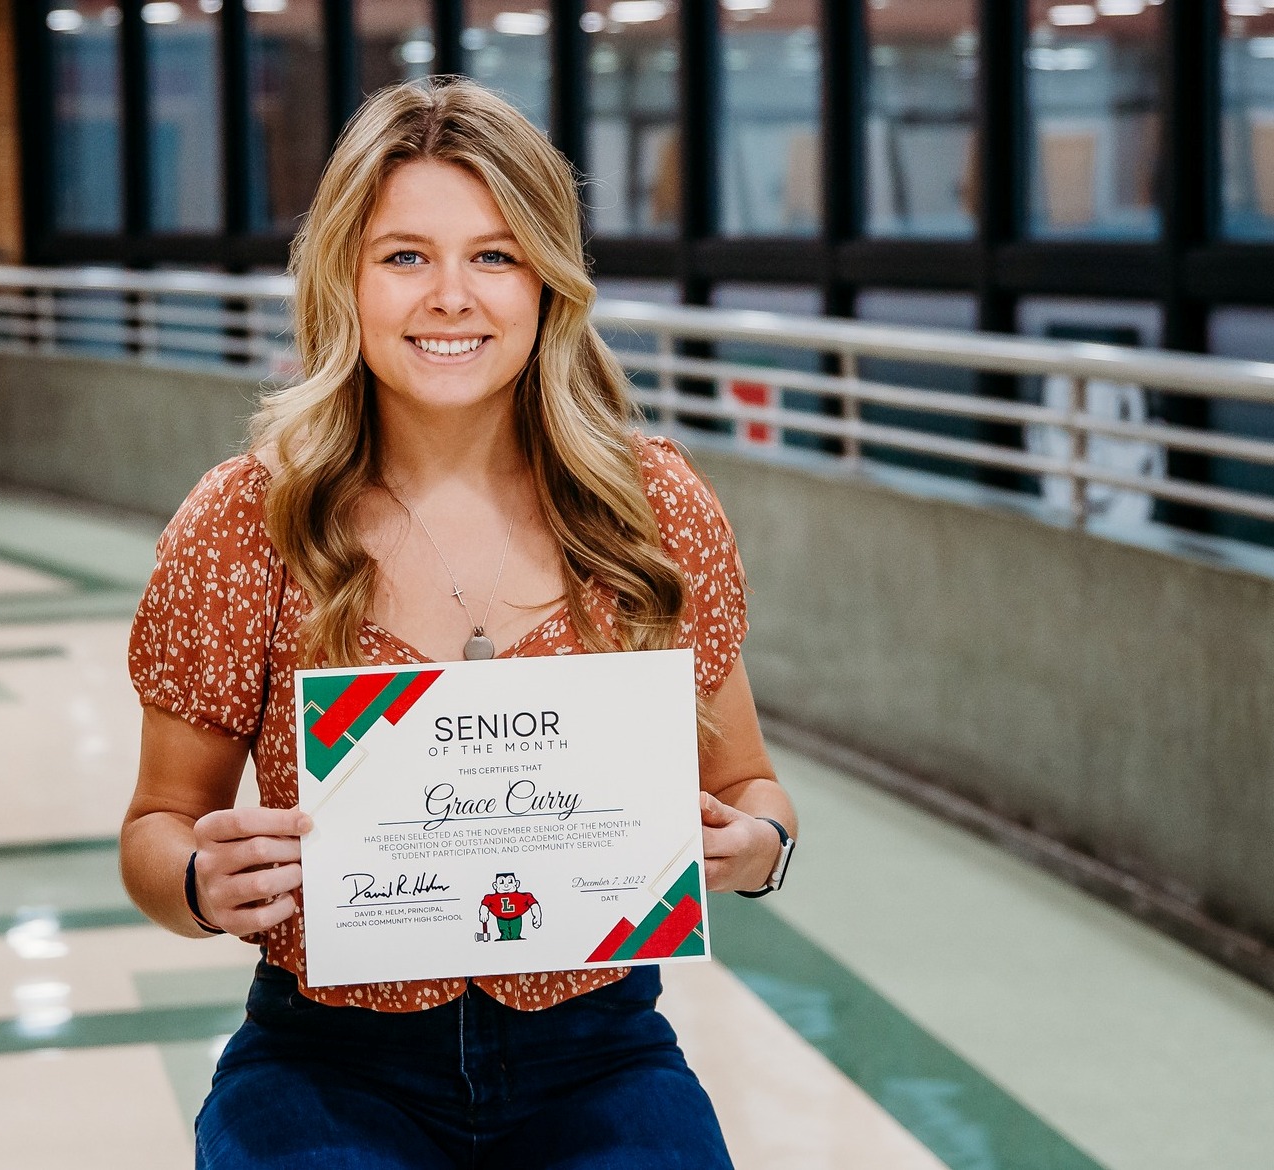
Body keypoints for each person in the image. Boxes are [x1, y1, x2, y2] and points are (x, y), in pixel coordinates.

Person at [121, 77, 798, 1170]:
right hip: (328, 1063)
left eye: (494, 255)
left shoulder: (649, 508)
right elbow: (157, 826)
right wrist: (202, 885)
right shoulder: (250, 520)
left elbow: (754, 789)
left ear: (547, 279)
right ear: (344, 276)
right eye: (404, 256)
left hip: (599, 1053)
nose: (450, 297)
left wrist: (755, 850)